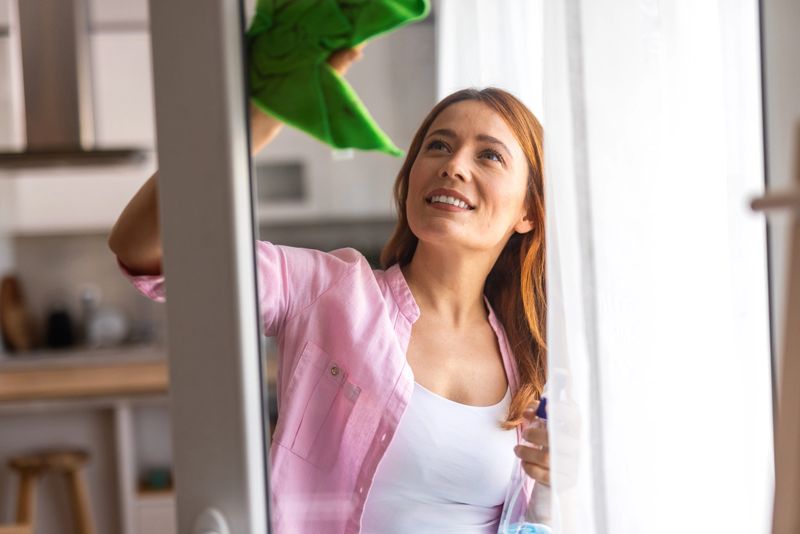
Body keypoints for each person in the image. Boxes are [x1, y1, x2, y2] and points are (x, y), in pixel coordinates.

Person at [108, 46, 550, 533]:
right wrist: (259, 117)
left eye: (488, 154)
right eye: (438, 146)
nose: (454, 165)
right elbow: (147, 250)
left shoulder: (532, 355)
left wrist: (558, 487)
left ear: (528, 211)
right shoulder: (329, 291)